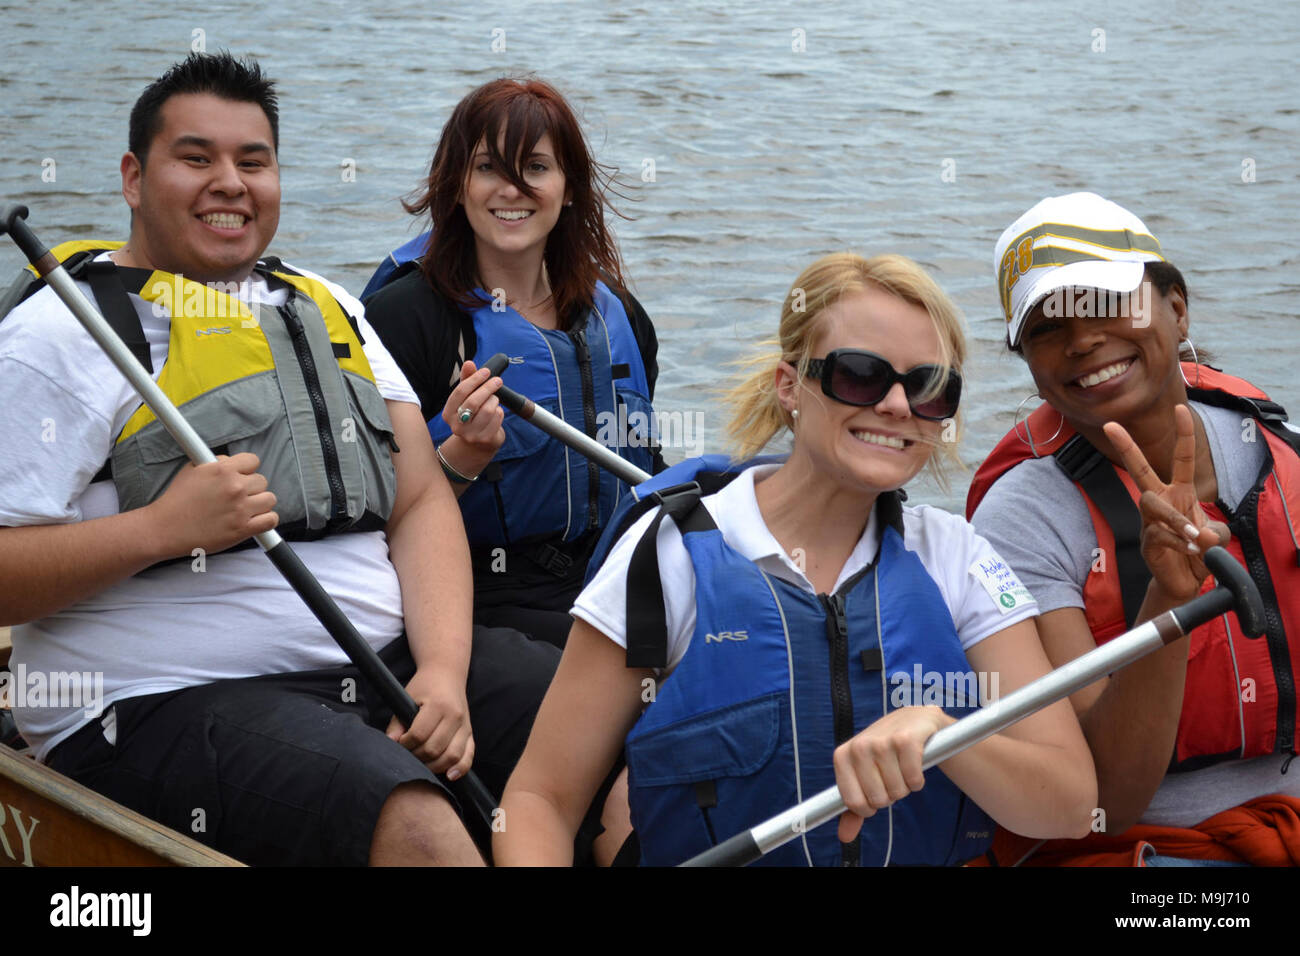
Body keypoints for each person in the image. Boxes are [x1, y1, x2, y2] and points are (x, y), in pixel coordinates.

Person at [0, 52, 560, 866]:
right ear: (133, 177)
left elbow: (422, 502)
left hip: (384, 668)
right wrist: (159, 530)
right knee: (411, 818)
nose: (230, 182)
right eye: (196, 158)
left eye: (251, 162)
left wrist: (441, 673)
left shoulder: (328, 308)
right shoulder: (62, 336)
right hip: (157, 702)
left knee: (611, 719)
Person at [493, 252, 1099, 866]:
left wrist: (948, 738)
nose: (895, 405)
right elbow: (541, 799)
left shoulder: (957, 559)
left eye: (928, 387)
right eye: (861, 374)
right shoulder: (666, 556)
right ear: (791, 387)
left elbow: (1071, 804)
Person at [968, 191, 1300, 866]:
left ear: (1177, 308)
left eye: (1107, 302)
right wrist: (1169, 603)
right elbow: (1104, 802)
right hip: (1143, 850)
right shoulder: (1021, 517)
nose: (1083, 339)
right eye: (1046, 329)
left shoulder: (1284, 450)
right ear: (1030, 366)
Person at [362, 77, 664, 650]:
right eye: (487, 168)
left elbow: (646, 463)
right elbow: (368, 519)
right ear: (455, 184)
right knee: (636, 679)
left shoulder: (619, 313)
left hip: (611, 578)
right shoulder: (404, 318)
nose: (513, 189)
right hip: (475, 596)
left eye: (536, 167)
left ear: (568, 187)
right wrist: (459, 456)